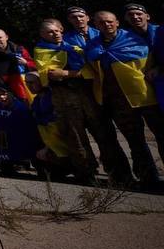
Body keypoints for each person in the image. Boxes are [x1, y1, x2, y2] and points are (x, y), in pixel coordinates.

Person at [88, 10, 162, 188]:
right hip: (118, 101)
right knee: (135, 141)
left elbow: (154, 59)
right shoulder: (92, 46)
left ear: (117, 22)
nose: (106, 25)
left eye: (109, 21)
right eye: (101, 23)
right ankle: (148, 178)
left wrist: (157, 68)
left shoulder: (135, 39)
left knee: (162, 135)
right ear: (96, 26)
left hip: (145, 95)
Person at [32, 17, 103, 183]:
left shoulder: (75, 48)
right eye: (50, 32)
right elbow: (50, 74)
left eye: (57, 30)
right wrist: (73, 74)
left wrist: (67, 73)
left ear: (62, 30)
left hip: (87, 94)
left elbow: (90, 70)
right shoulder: (41, 51)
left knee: (103, 132)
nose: (55, 34)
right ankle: (87, 173)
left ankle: (119, 173)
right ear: (42, 34)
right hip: (64, 97)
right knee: (75, 137)